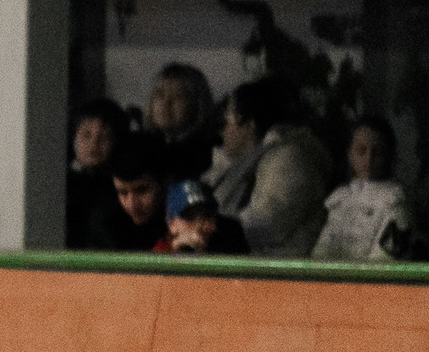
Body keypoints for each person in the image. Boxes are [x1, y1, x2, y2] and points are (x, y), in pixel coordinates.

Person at [206, 78, 329, 259]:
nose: (223, 132)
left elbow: (266, 224)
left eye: (228, 122)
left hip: (277, 276)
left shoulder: (288, 159)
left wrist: (209, 226)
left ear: (250, 125)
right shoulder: (245, 162)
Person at [313, 115, 408, 262]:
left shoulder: (395, 201)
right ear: (350, 155)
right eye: (361, 151)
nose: (369, 159)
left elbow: (385, 262)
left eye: (378, 152)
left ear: (389, 156)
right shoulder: (339, 199)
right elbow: (321, 254)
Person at [66, 98, 130, 250]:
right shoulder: (60, 180)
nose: (94, 143)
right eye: (86, 135)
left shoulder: (118, 185)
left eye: (105, 136)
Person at [146, 62, 215, 186]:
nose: (166, 103)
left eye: (178, 96)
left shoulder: (206, 155)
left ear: (197, 103)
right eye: (160, 94)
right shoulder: (145, 148)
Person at [103, 134, 169, 252]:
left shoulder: (186, 221)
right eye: (122, 192)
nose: (132, 204)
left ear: (164, 184)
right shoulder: (106, 226)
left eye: (141, 190)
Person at [157, 177, 247, 255]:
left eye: (207, 216)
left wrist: (202, 254)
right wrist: (176, 253)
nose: (199, 226)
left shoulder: (229, 244)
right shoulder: (159, 252)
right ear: (172, 224)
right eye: (190, 217)